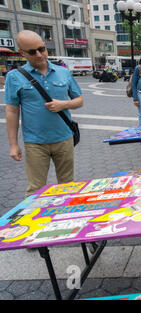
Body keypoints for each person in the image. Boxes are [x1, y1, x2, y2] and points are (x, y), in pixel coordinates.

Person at [5, 30, 83, 197]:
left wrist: (64, 104)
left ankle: (64, 219)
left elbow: (79, 100)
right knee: (36, 190)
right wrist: (13, 144)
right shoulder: (14, 77)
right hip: (35, 143)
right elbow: (12, 111)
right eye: (33, 52)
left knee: (68, 186)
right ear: (22, 53)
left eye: (42, 49)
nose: (40, 54)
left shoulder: (63, 72)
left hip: (64, 138)